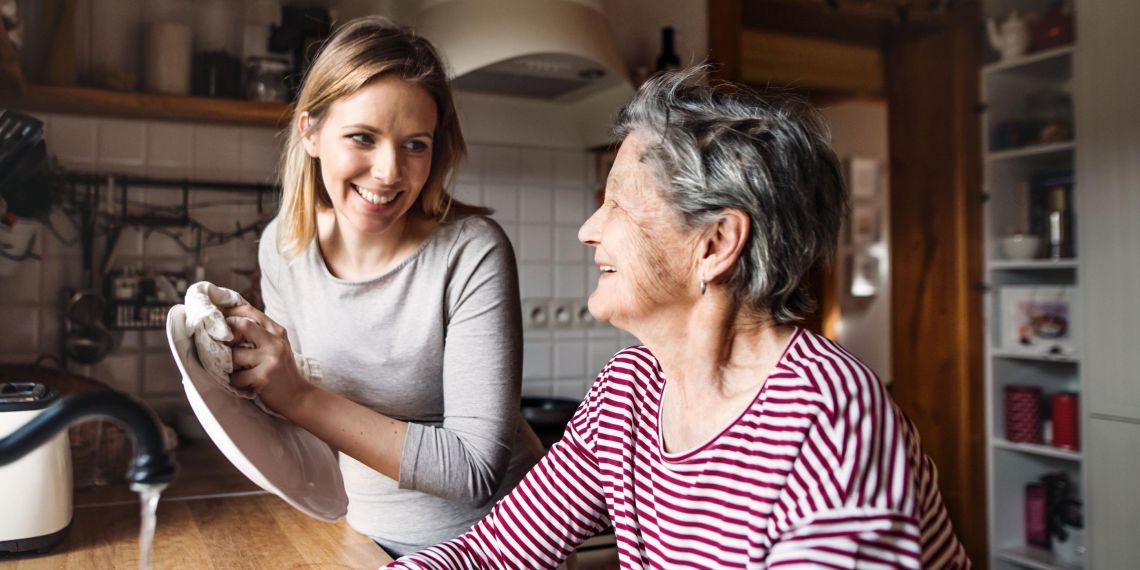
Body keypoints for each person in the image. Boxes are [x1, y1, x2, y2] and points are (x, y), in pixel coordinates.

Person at [389, 67, 970, 568]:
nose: (588, 230)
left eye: (617, 202)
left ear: (715, 244)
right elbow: (496, 552)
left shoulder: (829, 422)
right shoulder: (629, 390)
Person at [221, 17, 544, 557]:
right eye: (363, 138)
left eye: (414, 145)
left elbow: (474, 469)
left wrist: (296, 395)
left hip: (498, 545)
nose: (390, 172)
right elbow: (303, 421)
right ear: (311, 132)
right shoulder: (283, 248)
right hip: (365, 534)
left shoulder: (472, 252)